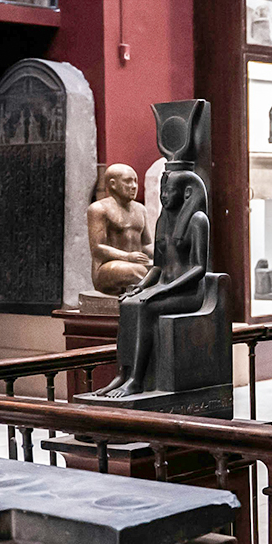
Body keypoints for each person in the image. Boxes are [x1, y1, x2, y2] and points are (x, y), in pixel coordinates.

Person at [90, 163, 210, 398]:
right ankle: (122, 375)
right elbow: (157, 266)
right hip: (166, 288)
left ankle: (137, 379)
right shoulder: (162, 221)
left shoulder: (198, 220)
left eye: (170, 192)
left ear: (186, 193)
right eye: (162, 192)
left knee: (147, 308)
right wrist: (141, 287)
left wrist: (161, 292)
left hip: (190, 293)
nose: (165, 197)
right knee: (127, 304)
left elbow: (198, 269)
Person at [86, 163, 153, 294]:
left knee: (165, 270)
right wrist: (128, 256)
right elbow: (97, 248)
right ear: (113, 184)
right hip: (108, 268)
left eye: (135, 181)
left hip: (136, 263)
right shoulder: (99, 209)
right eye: (128, 181)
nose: (134, 186)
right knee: (137, 272)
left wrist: (165, 255)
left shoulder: (141, 209)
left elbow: (146, 245)